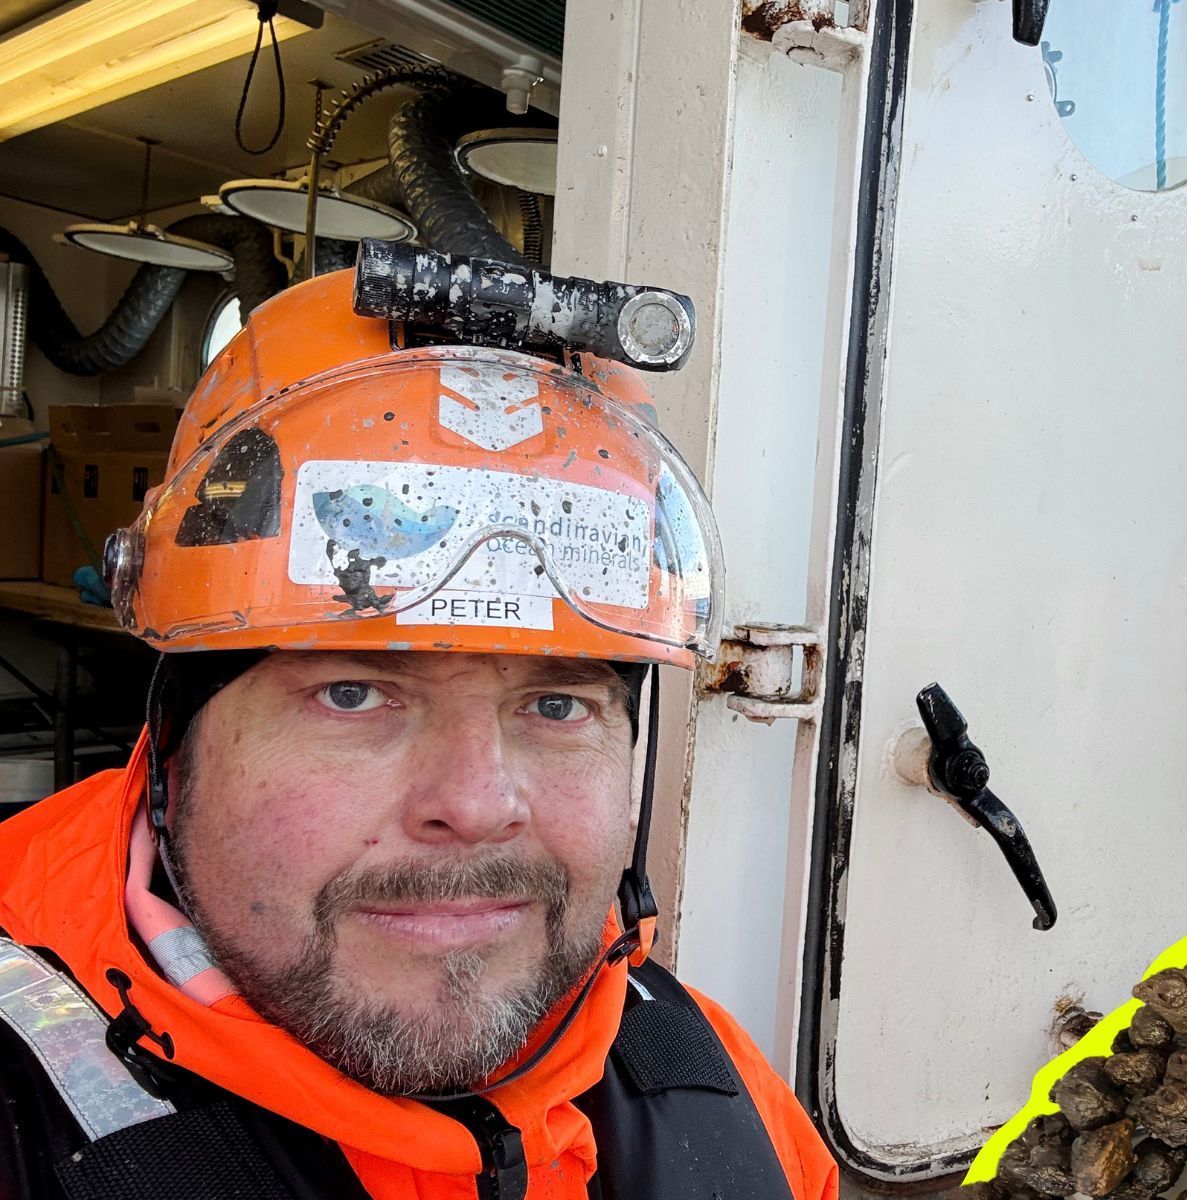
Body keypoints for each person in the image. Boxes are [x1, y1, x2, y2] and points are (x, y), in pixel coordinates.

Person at [0, 265, 839, 1199]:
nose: (477, 805)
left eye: (557, 705)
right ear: (173, 744)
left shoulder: (724, 1096)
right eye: (354, 694)